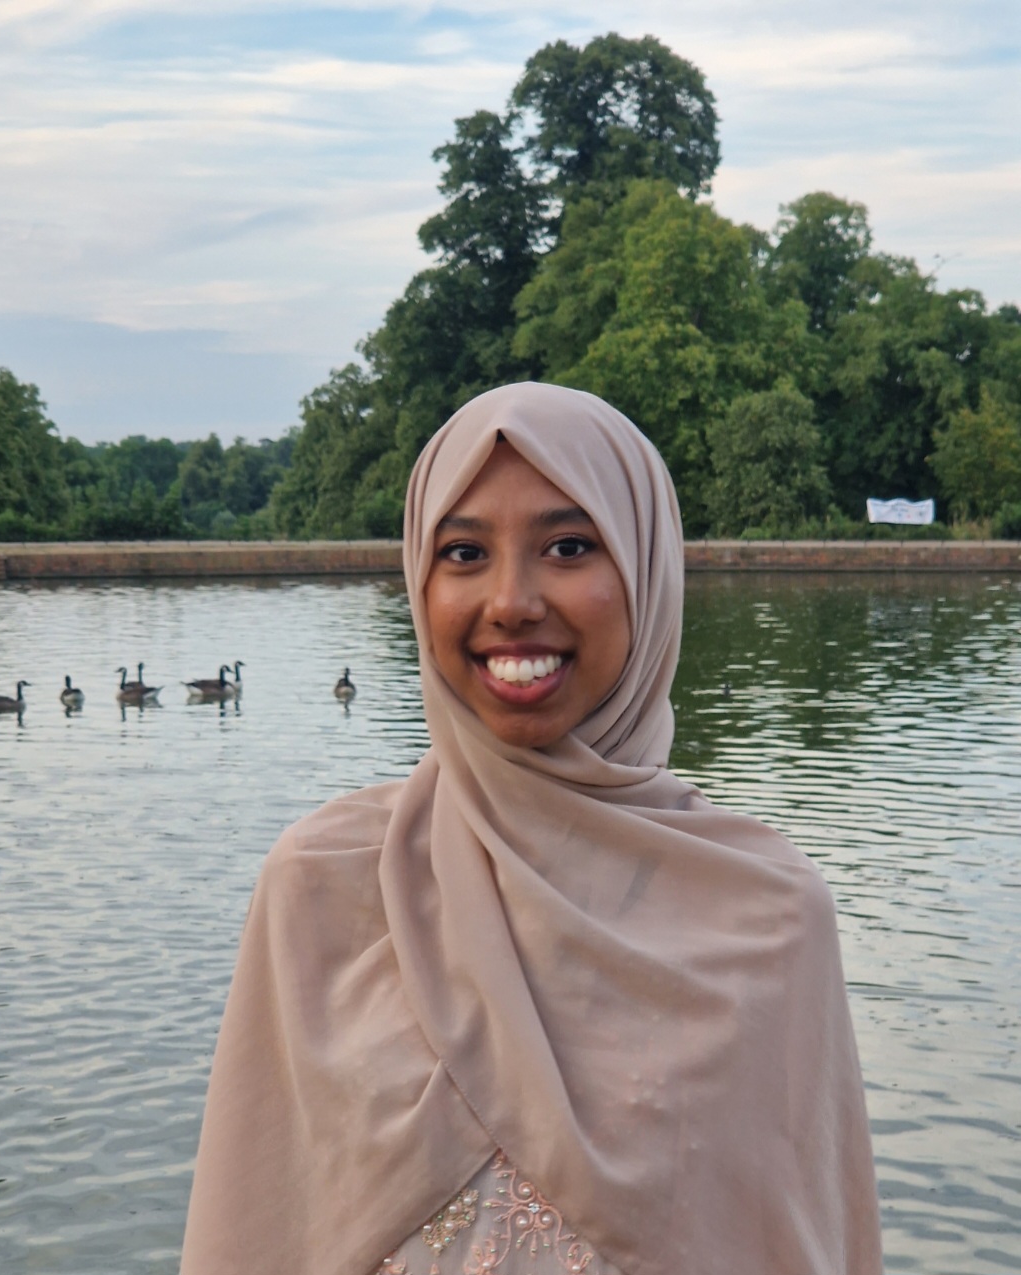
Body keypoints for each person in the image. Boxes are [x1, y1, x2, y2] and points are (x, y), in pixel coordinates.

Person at [180, 383, 882, 1275]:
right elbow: (254, 1231)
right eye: (465, 551)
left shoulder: (768, 919)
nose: (510, 600)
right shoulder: (321, 886)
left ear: (647, 571)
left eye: (568, 546)